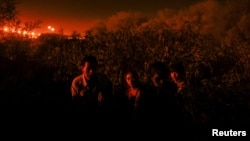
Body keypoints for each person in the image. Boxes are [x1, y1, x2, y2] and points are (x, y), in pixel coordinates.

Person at [71, 55, 112, 120]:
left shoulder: (102, 80)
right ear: (82, 68)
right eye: (88, 69)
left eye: (94, 69)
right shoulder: (77, 82)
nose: (91, 71)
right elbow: (74, 103)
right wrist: (80, 97)